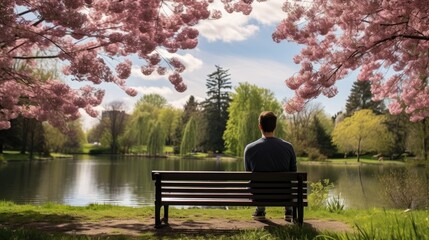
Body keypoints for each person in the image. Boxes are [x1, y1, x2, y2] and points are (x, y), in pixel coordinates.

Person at [244, 111, 297, 222]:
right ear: (275, 127)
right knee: (289, 183)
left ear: (260, 126)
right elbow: (294, 174)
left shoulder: (249, 149)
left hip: (259, 195)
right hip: (284, 195)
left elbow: (248, 174)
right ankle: (289, 210)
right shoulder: (288, 147)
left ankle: (260, 210)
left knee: (254, 183)